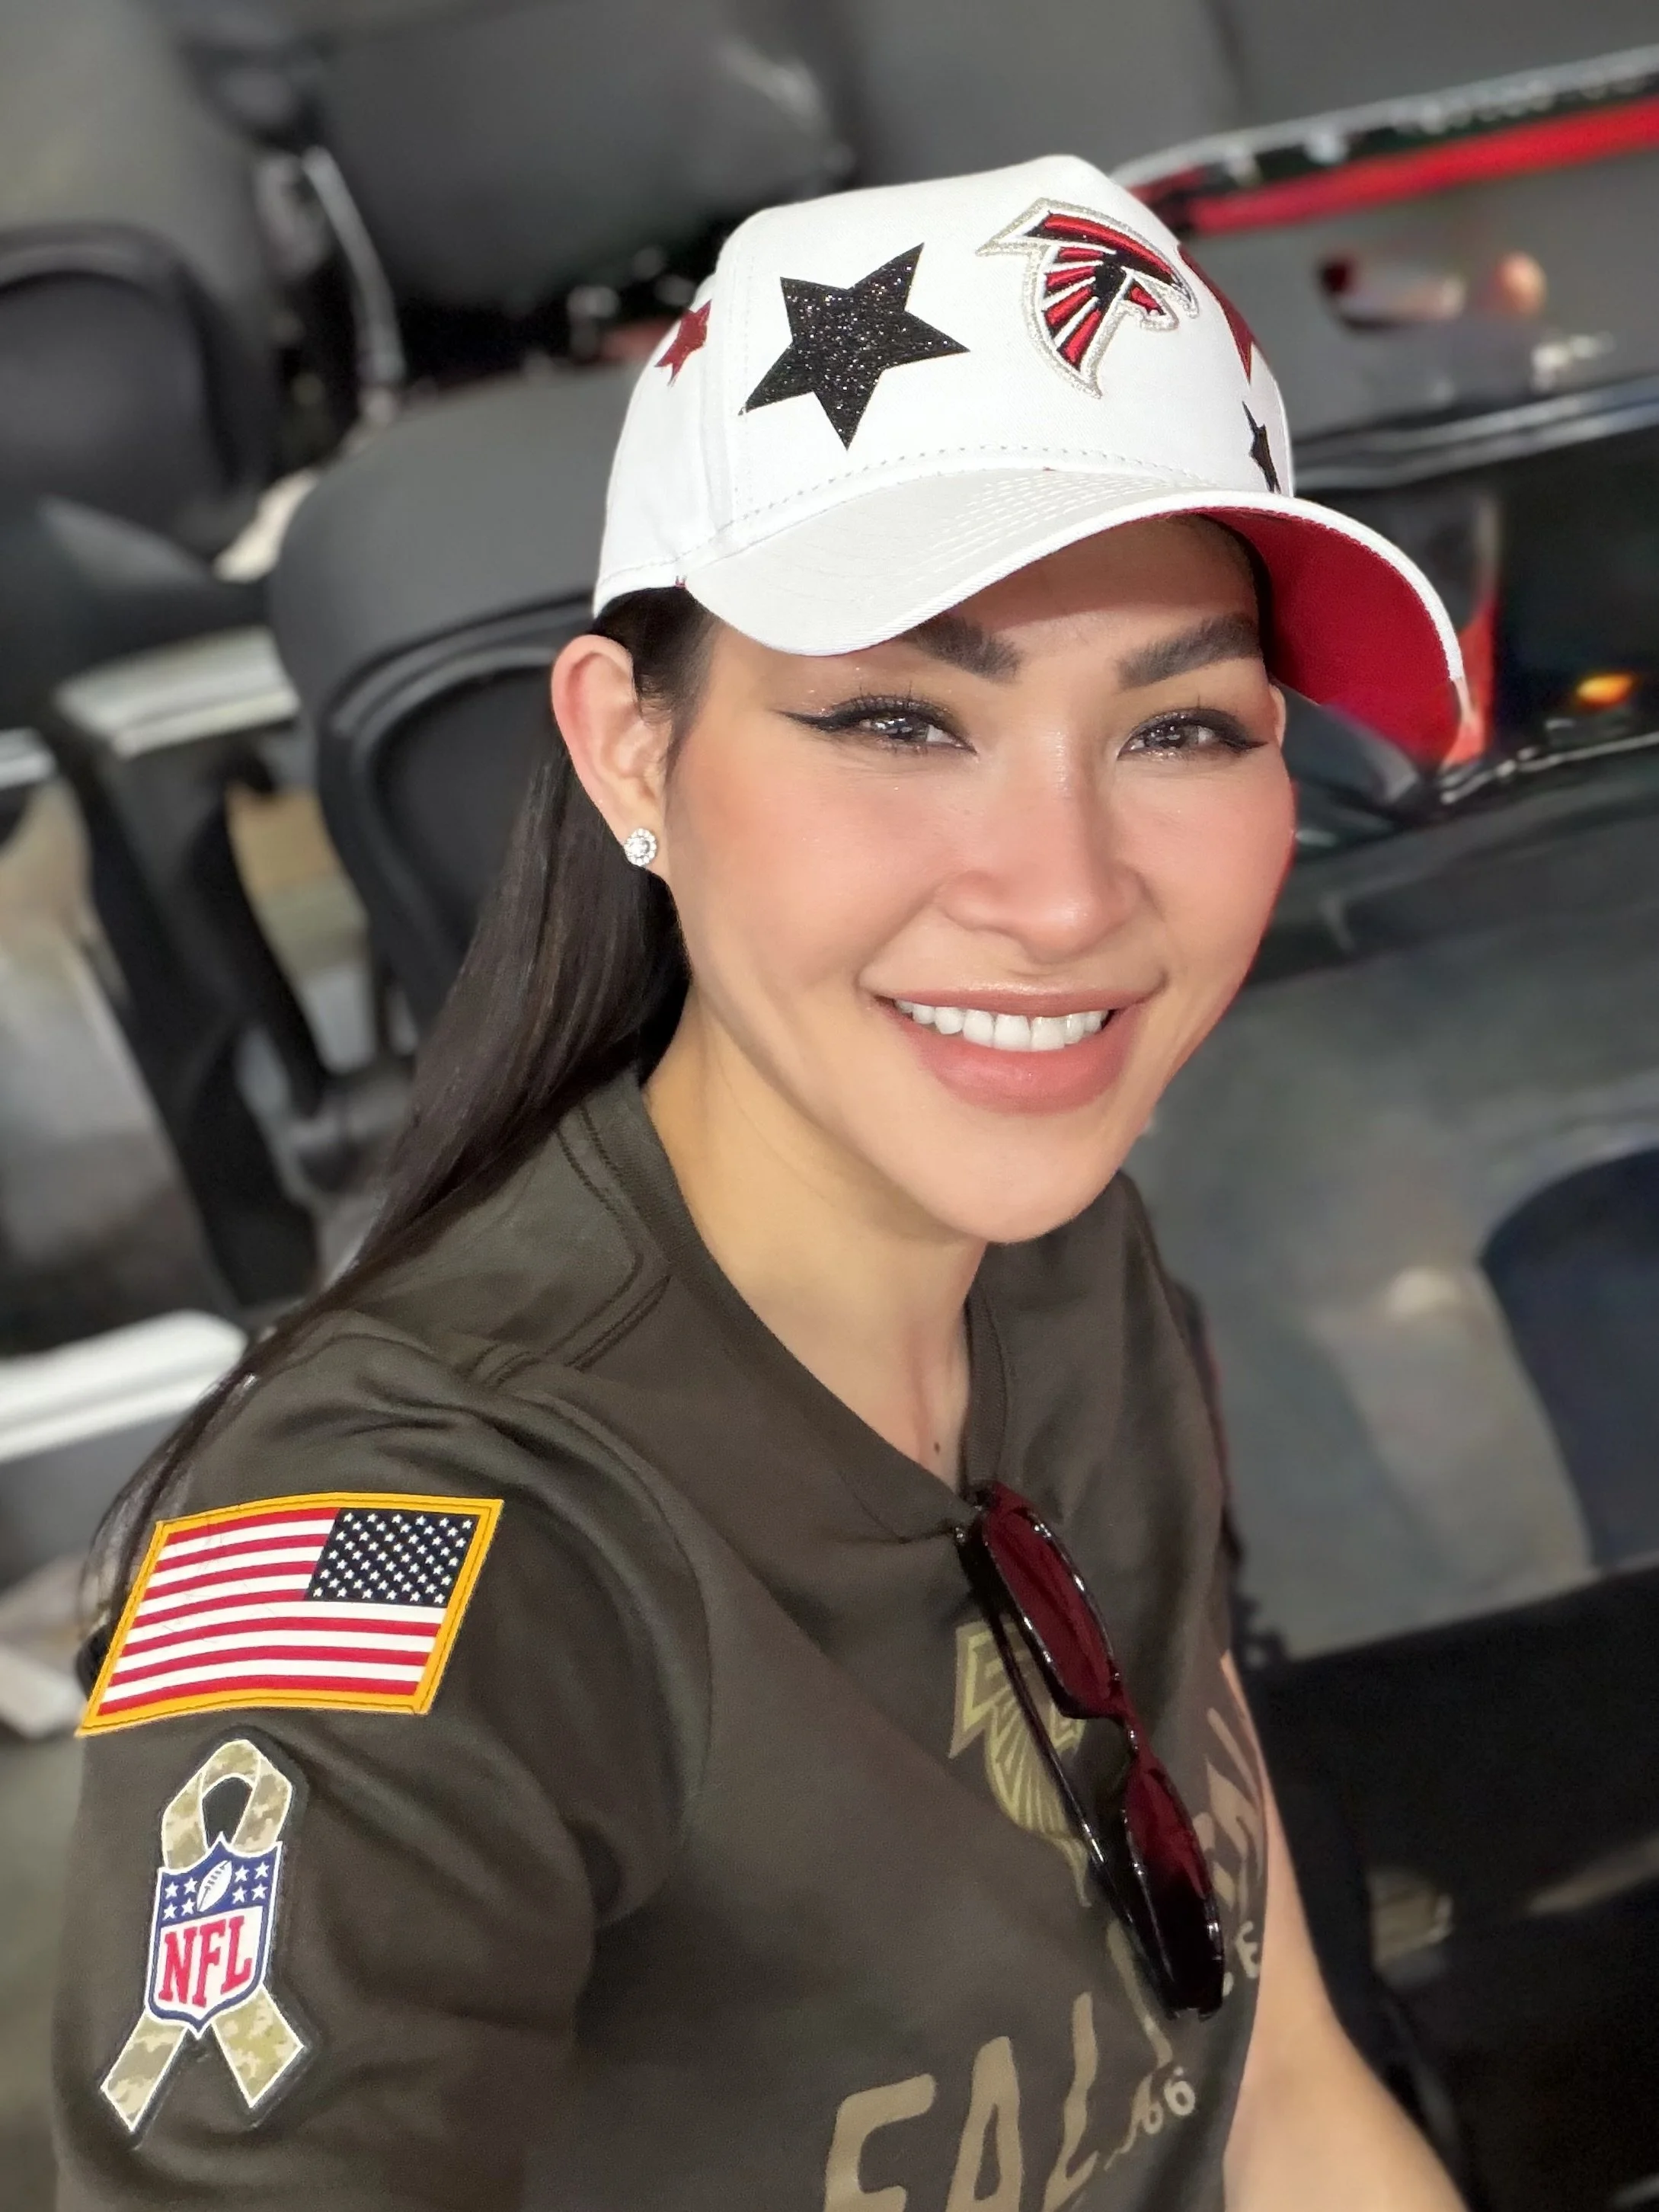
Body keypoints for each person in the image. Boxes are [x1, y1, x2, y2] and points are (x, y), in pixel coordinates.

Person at [55, 155, 1469, 2210]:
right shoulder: (402, 1563)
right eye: (901, 718)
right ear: (630, 752)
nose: (1065, 896)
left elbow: (1267, 2079)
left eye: (1179, 727)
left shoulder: (1064, 1258)